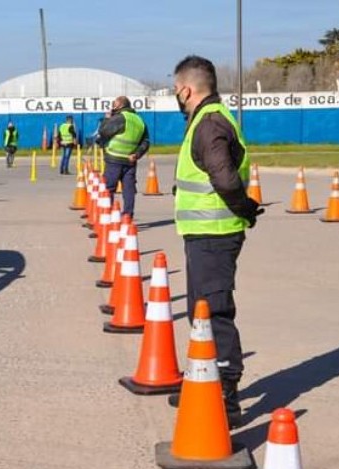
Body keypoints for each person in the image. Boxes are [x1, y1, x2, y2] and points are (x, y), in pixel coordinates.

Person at [166, 55, 264, 428]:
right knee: (200, 312)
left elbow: (224, 179)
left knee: (214, 312)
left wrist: (245, 208)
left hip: (215, 234)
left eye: (177, 90)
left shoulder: (209, 125)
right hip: (204, 234)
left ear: (187, 90)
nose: (177, 96)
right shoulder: (208, 120)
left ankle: (225, 393)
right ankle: (202, 384)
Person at [97, 96, 149, 218]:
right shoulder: (139, 120)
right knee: (129, 189)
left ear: (119, 105)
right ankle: (127, 216)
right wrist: (137, 154)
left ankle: (107, 218)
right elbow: (146, 141)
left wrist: (107, 118)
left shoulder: (120, 118)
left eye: (114, 104)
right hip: (130, 160)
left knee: (108, 188)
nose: (112, 107)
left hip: (114, 158)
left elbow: (103, 131)